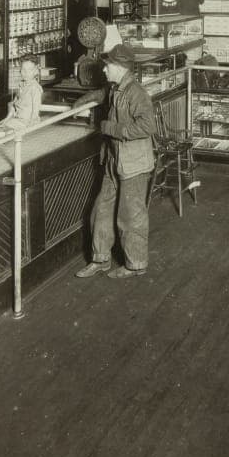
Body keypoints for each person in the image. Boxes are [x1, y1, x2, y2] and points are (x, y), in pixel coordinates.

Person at [73, 44, 156, 280]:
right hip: (113, 160)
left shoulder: (136, 93)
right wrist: (81, 102)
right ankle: (100, 259)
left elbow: (148, 126)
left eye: (108, 65)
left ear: (120, 67)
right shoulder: (116, 88)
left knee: (130, 216)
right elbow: (101, 95)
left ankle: (136, 264)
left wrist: (111, 128)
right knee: (101, 211)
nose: (105, 69)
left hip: (134, 163)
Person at [0, 54, 43, 134]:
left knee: (2, 133)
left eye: (30, 70)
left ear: (36, 71)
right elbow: (14, 106)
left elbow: (35, 112)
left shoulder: (35, 88)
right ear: (20, 70)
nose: (26, 73)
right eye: (23, 70)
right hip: (17, 120)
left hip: (27, 123)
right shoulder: (21, 85)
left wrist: (30, 128)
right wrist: (6, 119)